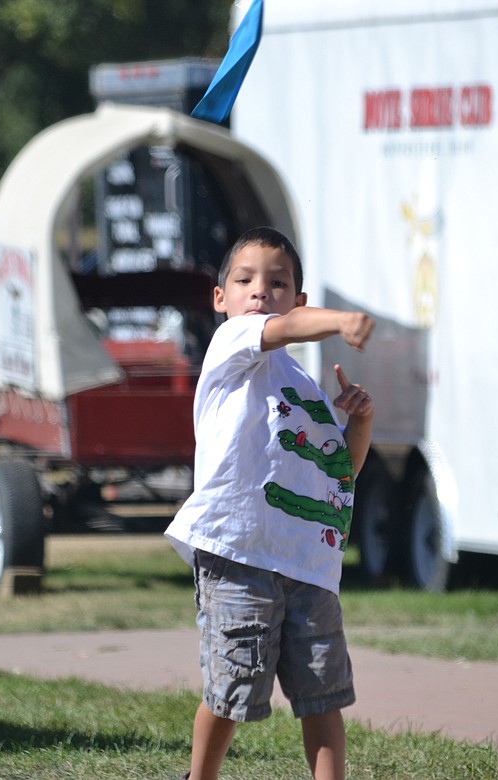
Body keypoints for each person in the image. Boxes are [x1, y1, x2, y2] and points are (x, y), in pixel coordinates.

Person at [165, 226, 375, 780]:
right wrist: (338, 319)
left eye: (278, 282)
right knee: (231, 688)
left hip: (308, 564)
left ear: (297, 297)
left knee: (323, 694)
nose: (260, 291)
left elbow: (343, 471)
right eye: (245, 279)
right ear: (221, 298)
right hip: (240, 555)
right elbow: (279, 330)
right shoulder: (231, 345)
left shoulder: (302, 386)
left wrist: (361, 422)